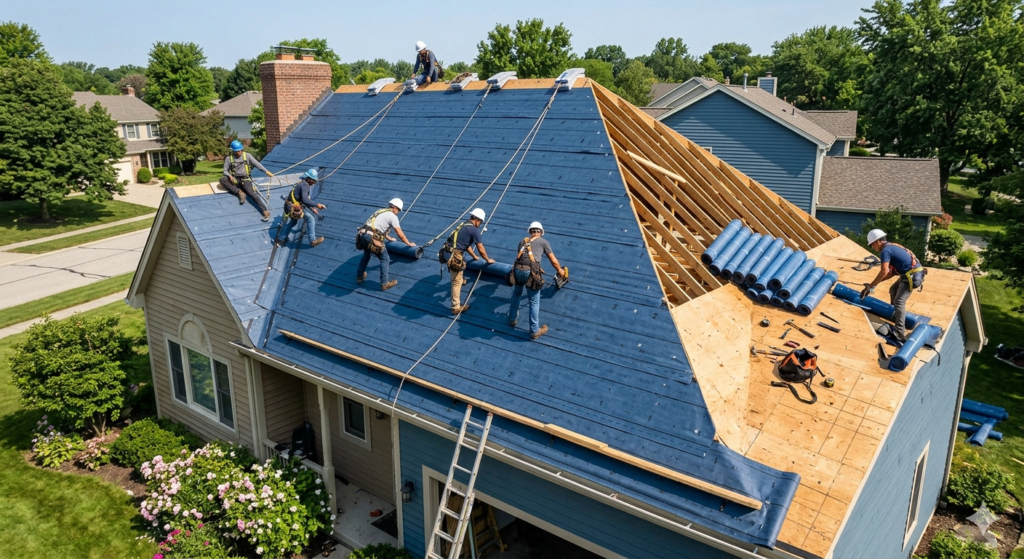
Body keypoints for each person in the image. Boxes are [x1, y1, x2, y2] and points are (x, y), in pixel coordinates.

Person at [860, 229, 926, 341]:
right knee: (893, 290)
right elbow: (890, 273)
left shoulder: (885, 251)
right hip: (908, 274)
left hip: (911, 277)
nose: (872, 248)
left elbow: (884, 271)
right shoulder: (892, 247)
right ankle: (896, 316)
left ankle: (900, 332)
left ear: (877, 241)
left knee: (899, 302)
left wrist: (870, 287)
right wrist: (872, 285)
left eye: (872, 245)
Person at [507, 221, 564, 340]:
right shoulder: (543, 242)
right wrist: (560, 271)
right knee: (534, 301)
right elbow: (553, 260)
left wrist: (538, 267)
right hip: (530, 273)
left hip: (518, 270)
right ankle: (534, 331)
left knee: (517, 294)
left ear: (530, 232)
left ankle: (512, 319)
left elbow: (524, 258)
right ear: (541, 232)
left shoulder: (522, 241)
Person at [356, 198, 415, 291]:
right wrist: (409, 243)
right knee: (385, 258)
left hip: (362, 235)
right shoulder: (392, 216)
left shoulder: (381, 211)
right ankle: (384, 284)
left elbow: (378, 227)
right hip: (371, 237)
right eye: (398, 210)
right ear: (395, 207)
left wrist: (389, 238)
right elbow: (400, 233)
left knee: (366, 254)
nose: (398, 212)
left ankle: (359, 276)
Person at [446, 208, 495, 315]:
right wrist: (487, 259)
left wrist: (474, 256)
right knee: (456, 282)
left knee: (457, 273)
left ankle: (460, 278)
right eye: (480, 222)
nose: (480, 224)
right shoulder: (474, 230)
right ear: (477, 220)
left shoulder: (463, 225)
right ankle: (455, 307)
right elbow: (480, 248)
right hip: (455, 255)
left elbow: (465, 243)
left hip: (447, 252)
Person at [220, 140, 274, 221]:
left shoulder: (247, 156)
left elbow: (257, 164)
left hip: (245, 179)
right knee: (222, 180)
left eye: (239, 151)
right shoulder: (229, 159)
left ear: (241, 149)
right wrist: (229, 176)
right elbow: (225, 171)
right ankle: (240, 192)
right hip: (235, 179)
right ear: (233, 151)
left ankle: (265, 211)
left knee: (251, 193)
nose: (238, 153)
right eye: (236, 151)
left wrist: (266, 171)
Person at [274, 169, 325, 248]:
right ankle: (312, 240)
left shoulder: (302, 183)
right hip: (293, 208)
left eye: (315, 181)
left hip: (289, 206)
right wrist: (317, 205)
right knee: (310, 219)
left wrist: (312, 208)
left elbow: (303, 200)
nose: (313, 183)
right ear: (308, 178)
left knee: (293, 222)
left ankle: (281, 239)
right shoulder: (305, 186)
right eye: (313, 181)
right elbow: (305, 200)